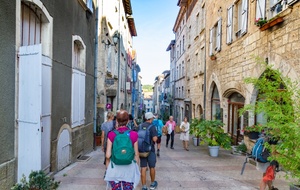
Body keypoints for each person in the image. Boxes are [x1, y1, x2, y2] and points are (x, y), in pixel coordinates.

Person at [104, 110, 140, 190]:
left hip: (115, 169)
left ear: (116, 120)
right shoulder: (134, 134)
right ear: (128, 121)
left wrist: (108, 169)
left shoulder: (112, 134)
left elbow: (108, 155)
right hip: (129, 169)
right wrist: (136, 167)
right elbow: (136, 154)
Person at [140, 112, 158, 190]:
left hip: (142, 150)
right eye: (152, 118)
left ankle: (144, 186)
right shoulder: (152, 127)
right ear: (150, 118)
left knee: (143, 167)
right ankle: (152, 183)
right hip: (150, 150)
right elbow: (154, 139)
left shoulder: (140, 126)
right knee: (152, 167)